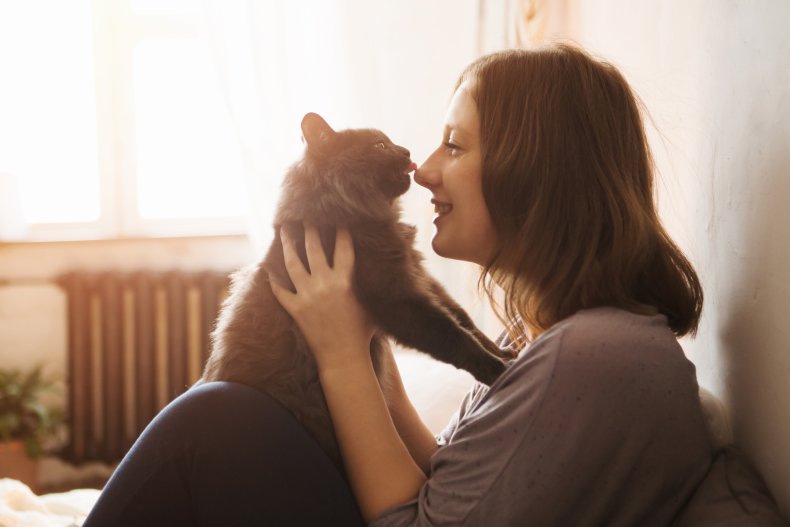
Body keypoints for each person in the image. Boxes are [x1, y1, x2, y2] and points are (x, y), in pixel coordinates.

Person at [83, 43, 714, 526]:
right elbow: (449, 474)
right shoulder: (562, 341)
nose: (425, 169)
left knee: (212, 418)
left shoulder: (588, 356)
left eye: (456, 147)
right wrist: (362, 343)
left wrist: (339, 356)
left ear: (536, 173)